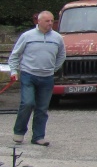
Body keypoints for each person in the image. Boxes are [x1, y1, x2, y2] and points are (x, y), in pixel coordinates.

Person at [8, 10, 66, 147]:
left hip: (47, 77)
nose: (50, 23)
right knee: (27, 103)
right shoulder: (27, 36)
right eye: (47, 21)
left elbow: (62, 56)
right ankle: (19, 132)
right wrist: (13, 70)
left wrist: (53, 69)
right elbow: (15, 55)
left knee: (42, 108)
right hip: (29, 75)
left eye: (52, 21)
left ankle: (38, 136)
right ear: (38, 21)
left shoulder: (57, 38)